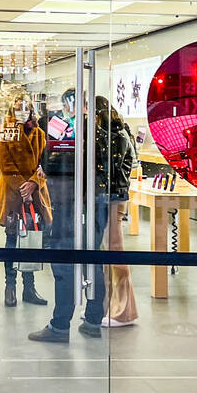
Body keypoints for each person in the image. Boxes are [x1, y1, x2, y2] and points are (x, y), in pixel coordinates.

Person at [29, 91, 111, 343]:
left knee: (64, 259)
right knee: (92, 257)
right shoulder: (102, 128)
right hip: (95, 199)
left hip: (71, 201)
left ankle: (60, 325)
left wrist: (46, 167)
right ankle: (93, 319)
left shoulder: (72, 130)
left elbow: (58, 164)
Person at [0, 97, 50, 307]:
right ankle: (10, 287)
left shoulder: (40, 133)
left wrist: (34, 184)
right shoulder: (3, 132)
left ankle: (29, 287)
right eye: (18, 109)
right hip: (13, 195)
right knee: (11, 240)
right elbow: (5, 166)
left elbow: (44, 164)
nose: (22, 113)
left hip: (36, 193)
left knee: (32, 240)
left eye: (26, 109)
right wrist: (23, 187)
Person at [99, 99, 139, 327]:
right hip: (110, 198)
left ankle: (123, 311)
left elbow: (112, 171)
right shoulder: (116, 135)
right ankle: (108, 307)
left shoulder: (116, 138)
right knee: (107, 255)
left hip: (113, 199)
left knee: (115, 252)